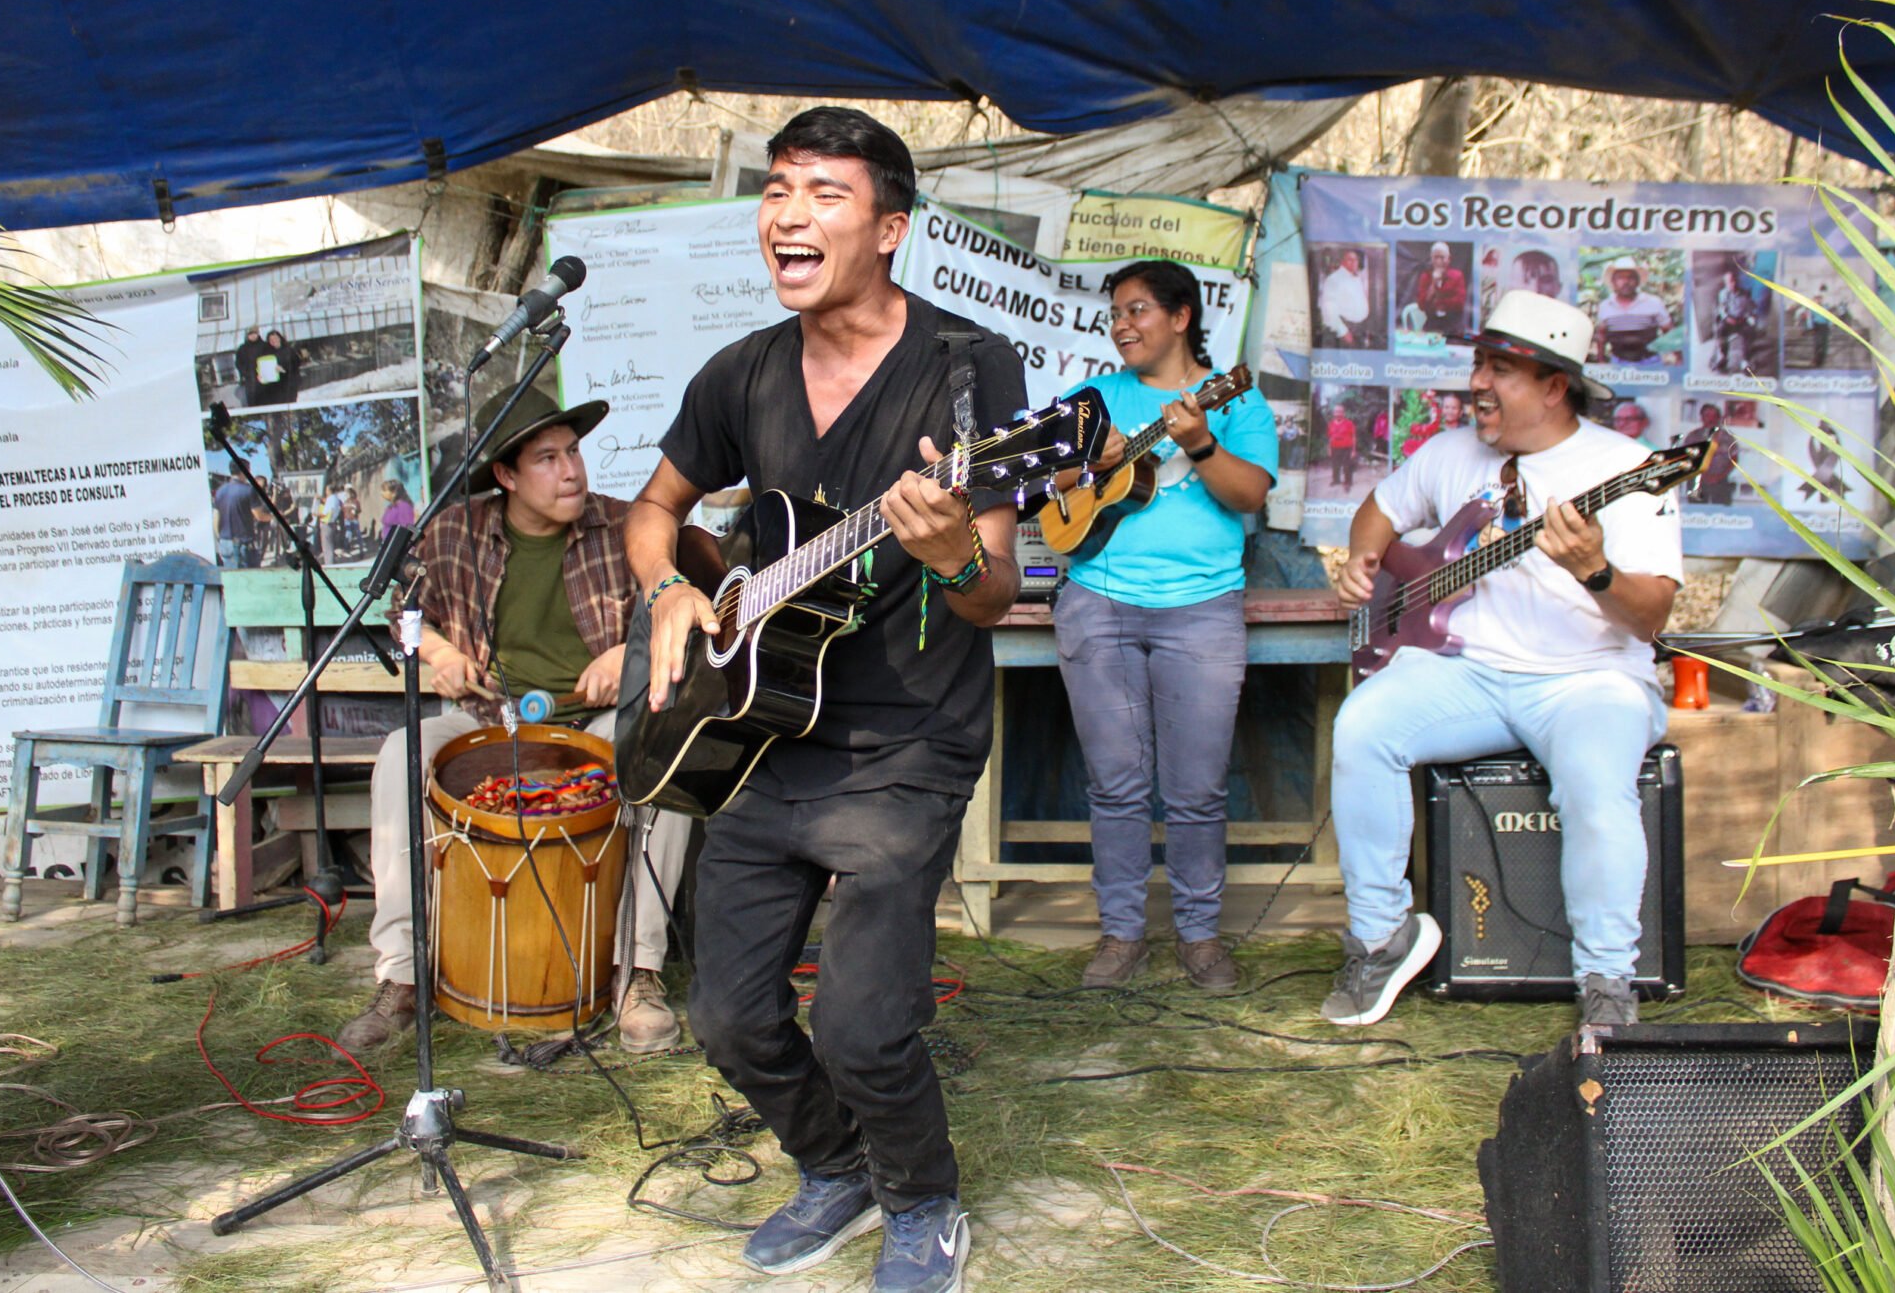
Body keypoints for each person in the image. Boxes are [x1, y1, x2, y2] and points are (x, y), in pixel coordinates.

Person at [626, 106, 1026, 1293]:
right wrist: (663, 588)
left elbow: (990, 591)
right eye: (776, 190)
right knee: (728, 1016)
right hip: (757, 734)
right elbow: (653, 511)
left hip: (905, 739)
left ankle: (921, 1199)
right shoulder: (738, 372)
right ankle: (834, 1163)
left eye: (824, 194)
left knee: (859, 1023)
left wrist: (951, 548)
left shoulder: (967, 368)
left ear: (890, 228)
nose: (787, 214)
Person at [1324, 289, 1683, 1029]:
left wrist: (1595, 570)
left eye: (1500, 370)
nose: (1478, 382)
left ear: (1556, 386)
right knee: (1362, 728)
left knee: (1594, 785)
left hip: (1591, 679)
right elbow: (1381, 511)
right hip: (1470, 671)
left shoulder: (1629, 467)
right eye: (1479, 364)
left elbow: (1650, 617)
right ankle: (1381, 936)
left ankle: (1607, 980)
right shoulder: (1451, 451)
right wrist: (1363, 556)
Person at [334, 384, 692, 1056]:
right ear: (505, 474)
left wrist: (627, 652)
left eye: (574, 452)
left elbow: (681, 602)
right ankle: (403, 976)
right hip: (488, 720)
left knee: (661, 756)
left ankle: (637, 974)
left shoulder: (623, 526)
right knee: (399, 752)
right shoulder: (453, 532)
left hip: (595, 722)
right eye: (548, 458)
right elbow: (404, 616)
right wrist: (438, 650)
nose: (572, 471)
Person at [1059, 260, 1276, 993]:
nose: (1122, 324)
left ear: (1182, 316)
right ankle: (1122, 934)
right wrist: (1089, 465)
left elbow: (1250, 494)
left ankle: (1200, 936)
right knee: (1116, 784)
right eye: (1115, 312)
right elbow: (1041, 479)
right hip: (1098, 600)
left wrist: (1202, 445)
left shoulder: (1235, 400)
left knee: (1196, 788)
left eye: (1138, 309)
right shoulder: (1093, 399)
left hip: (1203, 608)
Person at [1590, 257, 1672, 364]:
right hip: (1618, 363)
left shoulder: (1653, 302)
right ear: (1613, 282)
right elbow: (1602, 335)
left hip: (1650, 363)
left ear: (1637, 281)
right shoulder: (1605, 306)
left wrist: (1678, 358)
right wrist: (1600, 360)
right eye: (1620, 278)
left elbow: (1669, 331)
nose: (1626, 282)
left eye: (1630, 278)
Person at [1684, 402, 1741, 504]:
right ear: (1701, 418)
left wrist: (1720, 476)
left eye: (1714, 416)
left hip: (1721, 479)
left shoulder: (1728, 438)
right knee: (1696, 511)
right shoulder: (1693, 437)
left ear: (1719, 418)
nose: (1711, 419)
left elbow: (1734, 459)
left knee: (1723, 512)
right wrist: (1703, 475)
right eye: (1707, 416)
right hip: (1698, 480)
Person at [1411, 242, 1468, 336]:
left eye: (1442, 257)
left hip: (1452, 324)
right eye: (1435, 257)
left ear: (1448, 259)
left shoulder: (1457, 276)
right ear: (1431, 259)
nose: (1438, 261)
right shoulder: (1425, 277)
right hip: (1432, 323)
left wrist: (1438, 303)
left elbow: (1460, 303)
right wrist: (1433, 283)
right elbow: (1421, 305)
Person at [1317, 248, 1370, 347]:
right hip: (1346, 329)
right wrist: (1343, 332)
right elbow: (1328, 308)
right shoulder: (1334, 279)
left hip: (1360, 328)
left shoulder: (1356, 278)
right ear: (1342, 262)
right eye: (1350, 259)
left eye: (1356, 260)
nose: (1354, 262)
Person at [212, 473, 257, 569]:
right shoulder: (248, 490)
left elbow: (216, 517)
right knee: (249, 579)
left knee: (231, 578)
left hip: (225, 542)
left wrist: (220, 538)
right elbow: (258, 515)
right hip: (243, 544)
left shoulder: (220, 491)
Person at [255, 329, 301, 404]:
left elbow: (296, 363)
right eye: (271, 339)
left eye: (275, 338)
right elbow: (261, 367)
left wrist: (284, 369)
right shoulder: (266, 352)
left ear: (280, 338)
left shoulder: (288, 350)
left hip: (288, 384)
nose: (274, 341)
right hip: (274, 387)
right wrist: (260, 375)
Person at [235, 328, 269, 408]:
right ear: (247, 336)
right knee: (253, 401)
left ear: (258, 334)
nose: (253, 336)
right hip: (250, 380)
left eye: (255, 333)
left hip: (265, 378)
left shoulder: (265, 346)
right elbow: (238, 363)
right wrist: (245, 373)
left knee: (267, 400)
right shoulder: (242, 348)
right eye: (250, 334)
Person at [1326, 403, 1357, 488]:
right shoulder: (1330, 424)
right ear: (1333, 413)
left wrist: (1354, 450)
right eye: (1336, 411)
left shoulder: (1349, 423)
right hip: (1334, 448)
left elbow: (1353, 437)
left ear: (1344, 413)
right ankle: (1336, 480)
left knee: (1347, 466)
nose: (1338, 413)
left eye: (1340, 411)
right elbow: (1330, 437)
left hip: (1347, 448)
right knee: (1335, 465)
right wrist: (1329, 448)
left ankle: (1348, 481)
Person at [378, 477, 416, 541]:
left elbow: (409, 527)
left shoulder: (403, 506)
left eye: (384, 490)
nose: (381, 493)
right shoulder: (391, 507)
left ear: (394, 493)